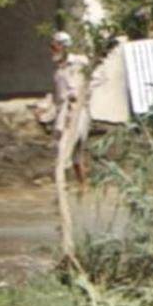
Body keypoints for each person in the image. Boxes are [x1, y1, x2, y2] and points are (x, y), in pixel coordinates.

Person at [40, 30, 93, 190]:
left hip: (75, 112)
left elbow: (74, 94)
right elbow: (59, 97)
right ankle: (82, 186)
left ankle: (62, 187)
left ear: (63, 47)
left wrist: (71, 116)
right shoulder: (59, 70)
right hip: (66, 112)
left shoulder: (77, 64)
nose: (52, 50)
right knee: (75, 154)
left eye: (54, 46)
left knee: (65, 149)